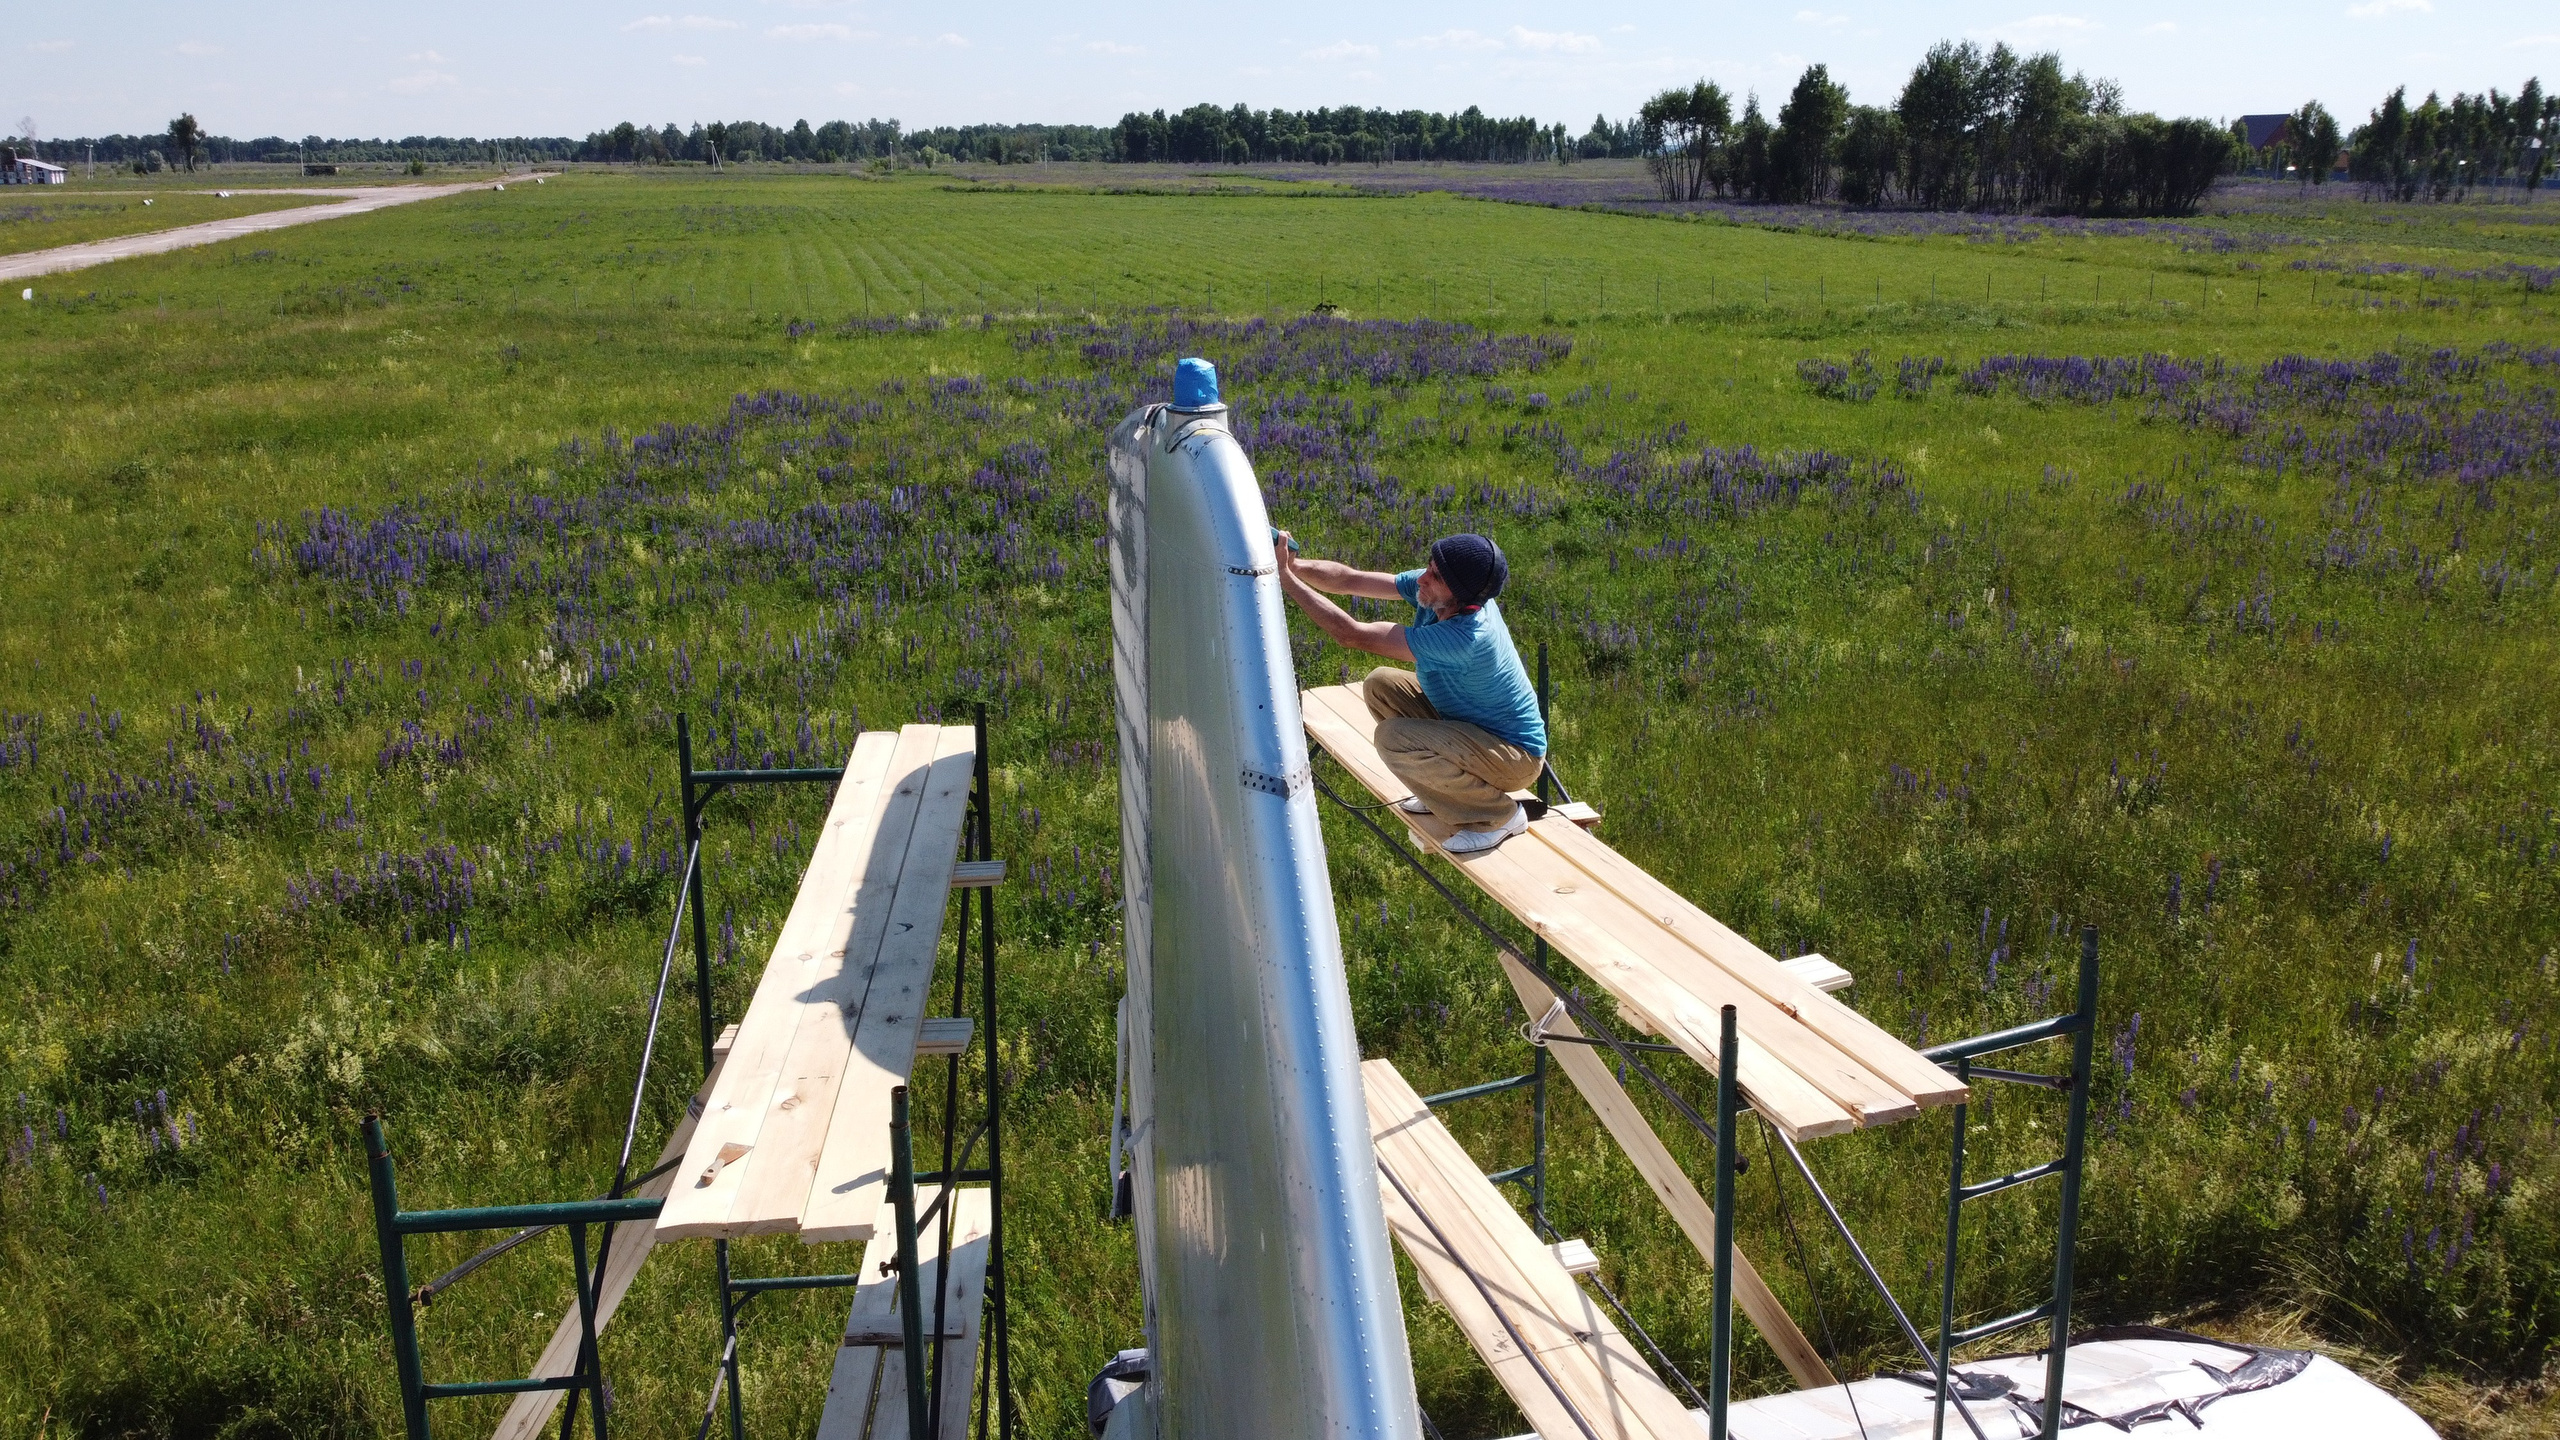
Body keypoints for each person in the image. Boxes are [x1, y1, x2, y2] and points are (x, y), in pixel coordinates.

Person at [1273, 529, 1547, 854]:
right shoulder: (1445, 593)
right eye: (1430, 566)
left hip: (1513, 757)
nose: (1422, 579)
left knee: (1393, 738)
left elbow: (1351, 634)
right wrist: (1296, 566)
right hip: (1473, 729)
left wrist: (1286, 579)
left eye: (1436, 576)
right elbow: (1351, 580)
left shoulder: (1465, 638)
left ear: (1460, 597)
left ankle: (1497, 817)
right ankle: (1442, 792)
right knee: (1381, 685)